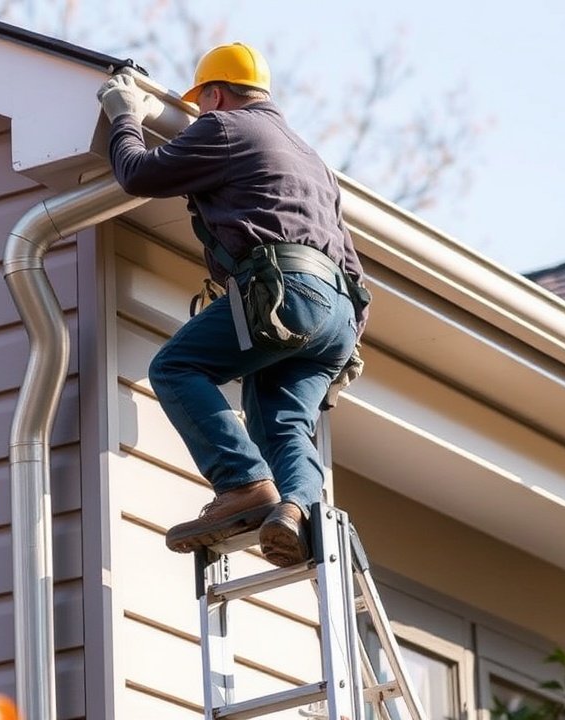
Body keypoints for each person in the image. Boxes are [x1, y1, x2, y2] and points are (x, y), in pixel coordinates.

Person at [97, 43, 368, 568]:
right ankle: (297, 515)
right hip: (339, 315)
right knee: (284, 421)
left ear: (216, 94)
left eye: (202, 103)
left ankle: (243, 484)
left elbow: (138, 174)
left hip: (287, 293)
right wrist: (344, 345)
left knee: (175, 367)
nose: (198, 114)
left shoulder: (225, 127)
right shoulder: (313, 161)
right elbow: (352, 265)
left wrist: (124, 114)